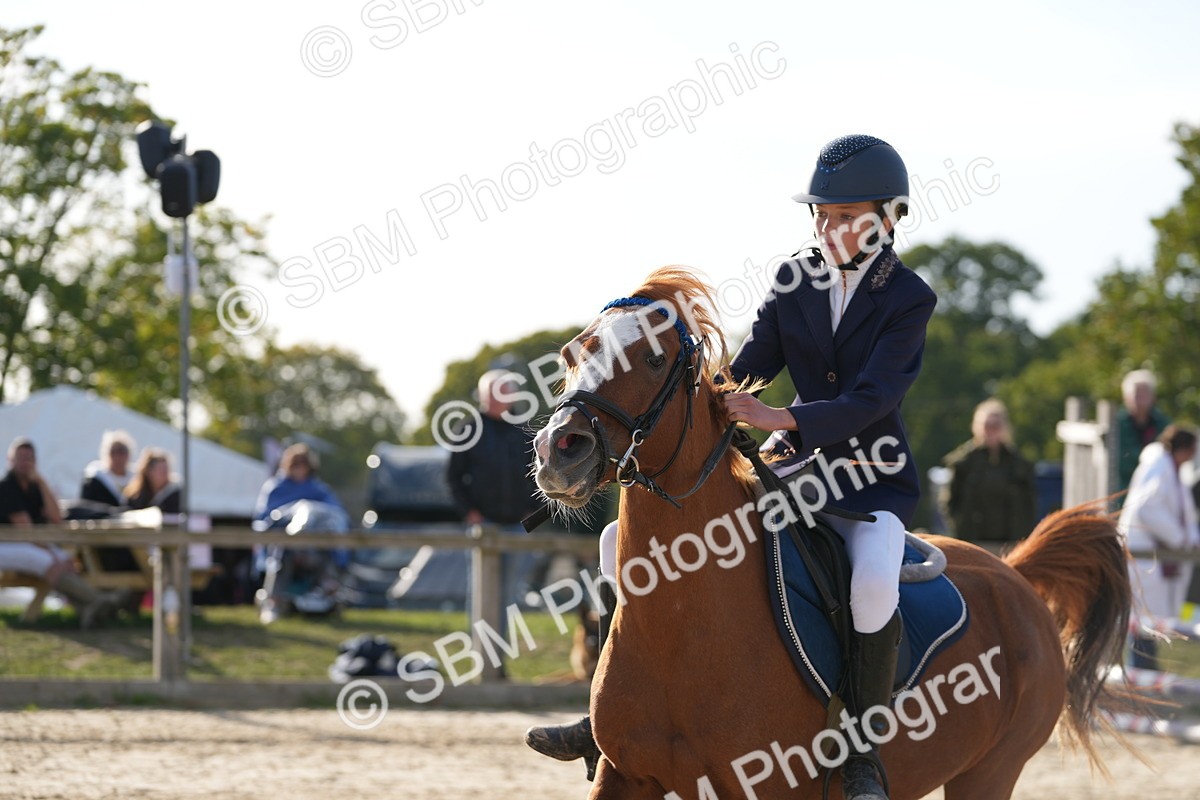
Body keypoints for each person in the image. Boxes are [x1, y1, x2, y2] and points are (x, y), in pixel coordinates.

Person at [527, 134, 932, 800]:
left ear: (886, 220)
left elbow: (875, 397)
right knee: (612, 545)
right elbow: (751, 365)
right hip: (786, 470)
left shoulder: (908, 297)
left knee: (874, 586)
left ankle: (861, 749)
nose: (829, 228)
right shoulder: (793, 278)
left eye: (845, 216)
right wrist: (698, 391)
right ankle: (605, 711)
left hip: (869, 476)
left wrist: (784, 418)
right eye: (822, 215)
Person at [0, 438, 113, 627]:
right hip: (7, 545)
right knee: (50, 561)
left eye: (29, 458)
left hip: (30, 543)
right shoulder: (7, 487)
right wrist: (52, 553)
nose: (25, 463)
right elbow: (25, 531)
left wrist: (43, 483)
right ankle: (98, 601)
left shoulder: (34, 486)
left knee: (67, 559)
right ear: (10, 460)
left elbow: (56, 518)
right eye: (20, 458)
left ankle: (88, 608)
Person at [1119, 425, 1199, 670]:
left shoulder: (1170, 469)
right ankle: (1142, 672)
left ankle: (1145, 670)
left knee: (1147, 621)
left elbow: (1181, 514)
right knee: (1142, 621)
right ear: (1185, 449)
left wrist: (1190, 541)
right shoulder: (1159, 467)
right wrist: (1180, 540)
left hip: (1153, 558)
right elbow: (1149, 508)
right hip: (1146, 557)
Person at [446, 370, 543, 528]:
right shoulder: (468, 430)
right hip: (482, 523)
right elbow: (453, 476)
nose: (495, 399)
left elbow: (540, 474)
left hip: (521, 524)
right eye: (491, 394)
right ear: (481, 395)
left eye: (501, 394)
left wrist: (533, 512)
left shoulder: (526, 432)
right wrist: (468, 512)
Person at [940, 399, 1037, 543]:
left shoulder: (1019, 465)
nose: (991, 430)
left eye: (996, 426)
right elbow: (949, 503)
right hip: (972, 542)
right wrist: (960, 529)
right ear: (976, 426)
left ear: (1005, 427)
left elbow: (1030, 504)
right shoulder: (963, 463)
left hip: (1010, 543)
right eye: (987, 425)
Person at [1117, 370, 1171, 494]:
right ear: (1125, 397)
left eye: (1144, 394)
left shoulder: (1163, 423)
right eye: (1136, 394)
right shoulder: (1116, 424)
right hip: (1121, 489)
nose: (1140, 400)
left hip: (1155, 490)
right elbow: (1120, 461)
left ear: (1153, 397)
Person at [80, 430, 136, 508]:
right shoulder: (96, 477)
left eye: (122, 451)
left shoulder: (136, 478)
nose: (118, 457)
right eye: (113, 452)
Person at [124, 448, 182, 513]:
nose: (165, 473)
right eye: (161, 470)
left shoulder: (176, 494)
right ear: (149, 472)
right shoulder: (135, 496)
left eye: (166, 469)